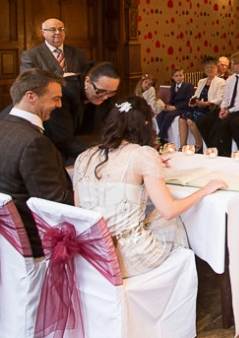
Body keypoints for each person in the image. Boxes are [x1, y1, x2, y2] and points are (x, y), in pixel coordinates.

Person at [72, 96, 227, 277]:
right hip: (129, 257)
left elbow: (79, 210)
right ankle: (191, 275)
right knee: (171, 220)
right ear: (145, 122)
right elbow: (169, 210)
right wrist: (205, 189)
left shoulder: (84, 157)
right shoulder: (143, 154)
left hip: (92, 256)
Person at [0, 68, 73, 257]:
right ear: (31, 96)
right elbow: (55, 204)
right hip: (32, 240)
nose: (59, 105)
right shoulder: (34, 143)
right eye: (55, 98)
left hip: (0, 235)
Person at [16, 61, 121, 168]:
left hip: (80, 149)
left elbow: (106, 130)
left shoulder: (107, 96)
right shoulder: (64, 93)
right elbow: (63, 141)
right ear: (87, 80)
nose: (105, 97)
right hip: (48, 150)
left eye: (111, 93)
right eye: (100, 91)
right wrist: (99, 147)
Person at [211, 52, 239, 156]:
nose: (231, 66)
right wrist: (223, 108)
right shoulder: (230, 80)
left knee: (229, 123)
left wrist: (229, 111)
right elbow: (226, 97)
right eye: (232, 63)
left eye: (234, 64)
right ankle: (223, 150)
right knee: (216, 120)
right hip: (230, 108)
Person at [180, 58, 224, 148]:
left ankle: (198, 144)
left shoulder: (221, 82)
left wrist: (206, 103)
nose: (209, 69)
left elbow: (220, 99)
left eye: (212, 67)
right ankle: (183, 145)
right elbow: (195, 96)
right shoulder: (201, 81)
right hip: (199, 106)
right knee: (182, 118)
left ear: (216, 69)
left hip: (211, 108)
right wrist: (192, 102)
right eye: (207, 67)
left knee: (189, 120)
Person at [20, 18, 86, 76]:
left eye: (61, 29)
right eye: (53, 29)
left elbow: (85, 75)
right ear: (43, 33)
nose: (58, 32)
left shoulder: (77, 52)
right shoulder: (31, 55)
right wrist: (61, 77)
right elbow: (28, 80)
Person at [155, 68, 193, 144]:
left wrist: (175, 107)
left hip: (183, 108)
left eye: (180, 75)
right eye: (176, 76)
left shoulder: (188, 86)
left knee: (168, 116)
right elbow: (172, 100)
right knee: (159, 116)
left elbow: (188, 101)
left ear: (183, 76)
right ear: (173, 77)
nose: (179, 77)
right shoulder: (173, 87)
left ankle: (161, 136)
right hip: (174, 107)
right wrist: (167, 106)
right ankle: (164, 135)